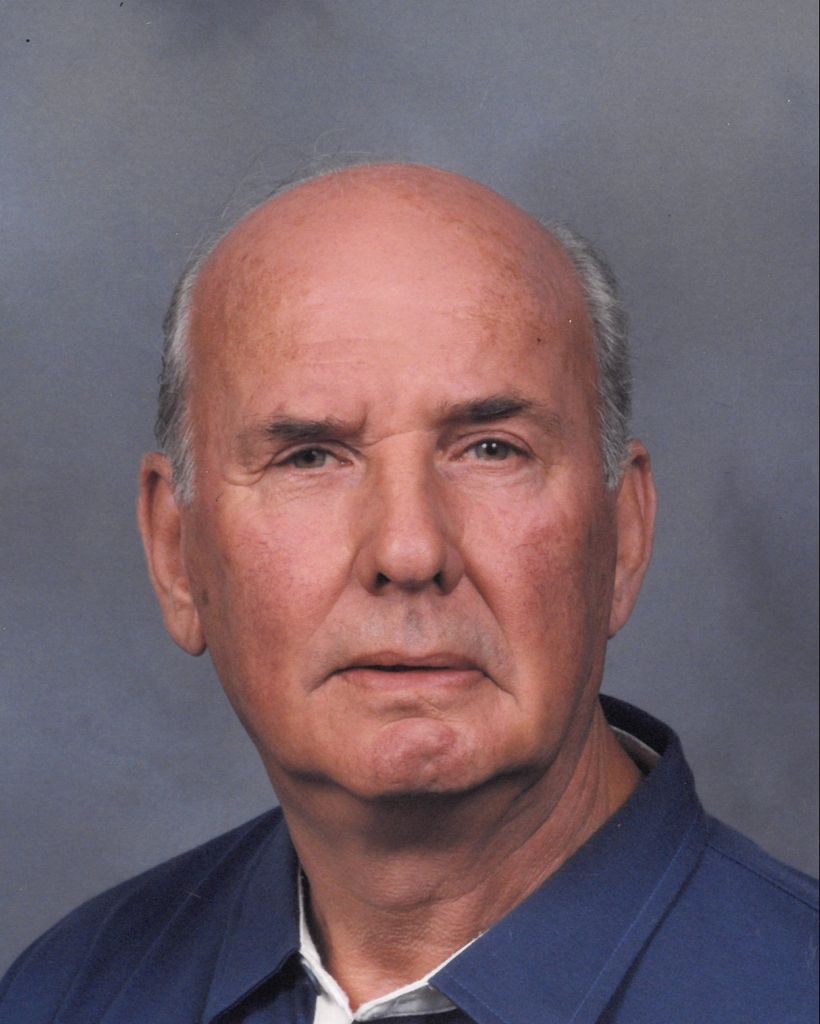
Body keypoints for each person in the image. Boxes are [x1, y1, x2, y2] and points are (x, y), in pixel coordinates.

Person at [1, 163, 816, 1024]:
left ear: (624, 535)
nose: (409, 550)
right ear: (177, 554)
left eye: (492, 449)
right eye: (310, 457)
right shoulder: (66, 996)